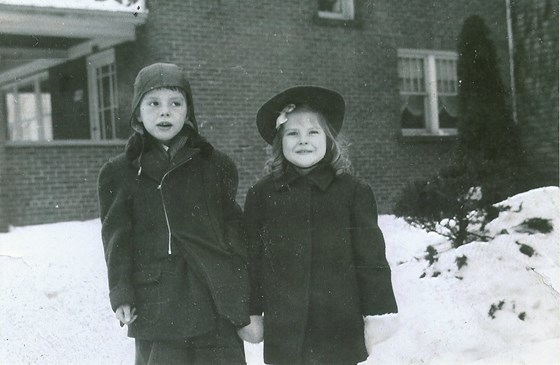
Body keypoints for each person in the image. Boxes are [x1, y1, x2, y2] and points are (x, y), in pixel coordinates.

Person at [98, 63, 259, 365]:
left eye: (175, 103)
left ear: (188, 111)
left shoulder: (215, 165)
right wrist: (122, 292)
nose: (165, 112)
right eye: (153, 103)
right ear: (137, 112)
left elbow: (233, 231)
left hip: (214, 300)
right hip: (157, 304)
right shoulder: (119, 173)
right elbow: (117, 238)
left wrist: (239, 289)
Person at [243, 86, 399, 365]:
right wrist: (252, 311)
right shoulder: (262, 195)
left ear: (329, 139)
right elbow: (252, 260)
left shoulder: (353, 193)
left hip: (339, 328)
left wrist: (378, 312)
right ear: (280, 142)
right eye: (292, 133)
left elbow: (370, 258)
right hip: (286, 330)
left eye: (312, 132)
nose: (303, 141)